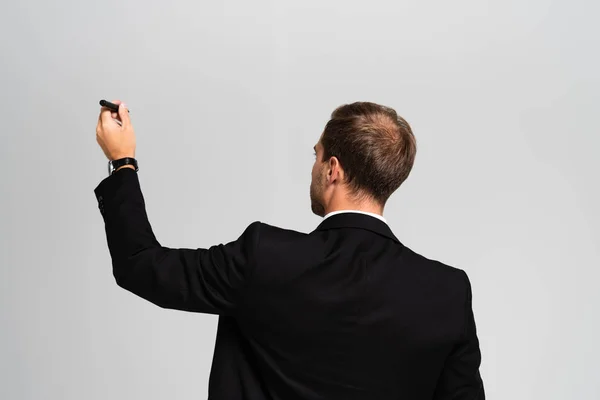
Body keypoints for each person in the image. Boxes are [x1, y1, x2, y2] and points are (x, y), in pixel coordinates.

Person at [94, 100, 485, 399]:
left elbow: (140, 265)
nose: (313, 167)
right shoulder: (448, 292)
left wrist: (122, 161)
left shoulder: (266, 257)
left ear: (333, 169)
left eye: (315, 155)